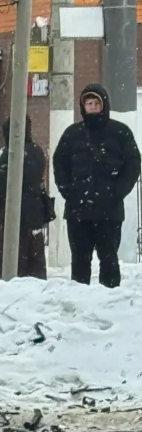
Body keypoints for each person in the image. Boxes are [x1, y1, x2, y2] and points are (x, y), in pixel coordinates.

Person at [52, 83, 141, 288]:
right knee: (80, 260)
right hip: (78, 211)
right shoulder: (72, 134)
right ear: (83, 107)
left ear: (104, 105)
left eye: (96, 103)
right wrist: (70, 192)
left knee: (108, 258)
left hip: (109, 211)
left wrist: (117, 192)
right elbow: (60, 165)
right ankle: (80, 300)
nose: (92, 107)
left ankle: (109, 300)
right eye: (88, 103)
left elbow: (133, 164)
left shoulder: (120, 132)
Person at [0, 116, 50, 279]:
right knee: (34, 256)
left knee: (15, 257)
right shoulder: (37, 151)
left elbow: (3, 180)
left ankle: (17, 283)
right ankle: (37, 282)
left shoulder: (11, 153)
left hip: (13, 212)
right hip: (35, 211)